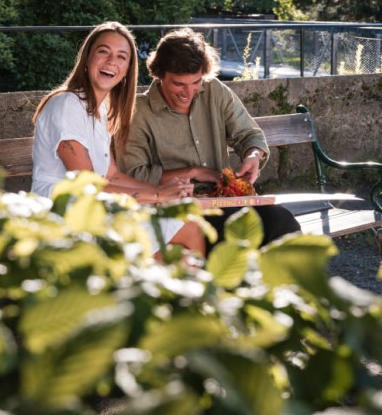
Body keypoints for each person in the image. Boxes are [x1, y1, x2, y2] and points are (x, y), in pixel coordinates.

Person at [30, 21, 205, 258]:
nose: (112, 61)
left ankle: (191, 291)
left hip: (96, 208)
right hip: (64, 212)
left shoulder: (100, 111)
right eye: (104, 52)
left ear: (126, 70)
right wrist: (157, 196)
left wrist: (162, 190)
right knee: (187, 229)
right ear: (87, 58)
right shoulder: (66, 104)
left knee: (184, 241)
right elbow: (88, 185)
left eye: (122, 57)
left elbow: (112, 175)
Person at [120, 27, 302, 250]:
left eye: (195, 82)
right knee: (230, 235)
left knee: (283, 222)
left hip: (226, 200)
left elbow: (249, 135)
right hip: (178, 207)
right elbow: (134, 175)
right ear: (159, 76)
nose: (188, 93)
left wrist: (253, 155)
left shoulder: (214, 90)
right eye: (179, 84)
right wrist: (193, 172)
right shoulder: (139, 110)